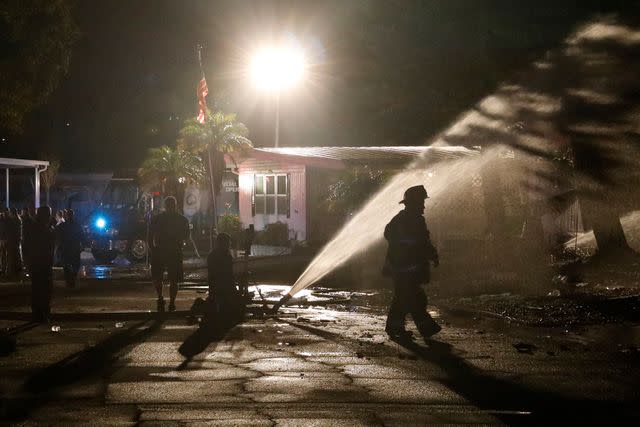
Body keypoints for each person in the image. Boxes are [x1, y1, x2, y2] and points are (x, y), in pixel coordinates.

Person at [383, 185, 441, 340]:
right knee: (414, 297)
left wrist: (431, 254)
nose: (423, 206)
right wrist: (429, 254)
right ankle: (425, 327)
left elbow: (421, 242)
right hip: (406, 268)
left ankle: (395, 327)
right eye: (421, 202)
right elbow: (421, 242)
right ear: (413, 203)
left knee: (404, 297)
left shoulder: (406, 219)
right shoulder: (410, 219)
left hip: (402, 267)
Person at [150, 196, 189, 312]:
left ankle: (160, 298)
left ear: (165, 206)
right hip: (174, 251)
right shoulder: (182, 219)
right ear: (175, 205)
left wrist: (153, 248)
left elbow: (150, 235)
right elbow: (187, 236)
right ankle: (172, 302)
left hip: (160, 250)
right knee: (174, 279)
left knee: (158, 277)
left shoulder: (157, 219)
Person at [206, 232, 243, 325]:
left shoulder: (212, 255)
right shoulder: (226, 256)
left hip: (215, 286)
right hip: (223, 287)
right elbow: (228, 275)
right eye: (228, 243)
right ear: (225, 243)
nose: (229, 245)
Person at [29, 207, 56, 323]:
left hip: (37, 264)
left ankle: (38, 313)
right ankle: (42, 313)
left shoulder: (34, 228)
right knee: (44, 290)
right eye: (48, 214)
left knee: (37, 289)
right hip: (42, 264)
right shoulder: (43, 229)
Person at [55, 209, 86, 288]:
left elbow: (56, 236)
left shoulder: (62, 226)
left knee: (66, 265)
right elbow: (82, 237)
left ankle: (69, 280)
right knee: (75, 264)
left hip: (66, 249)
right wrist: (83, 245)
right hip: (74, 248)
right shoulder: (77, 225)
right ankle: (72, 279)